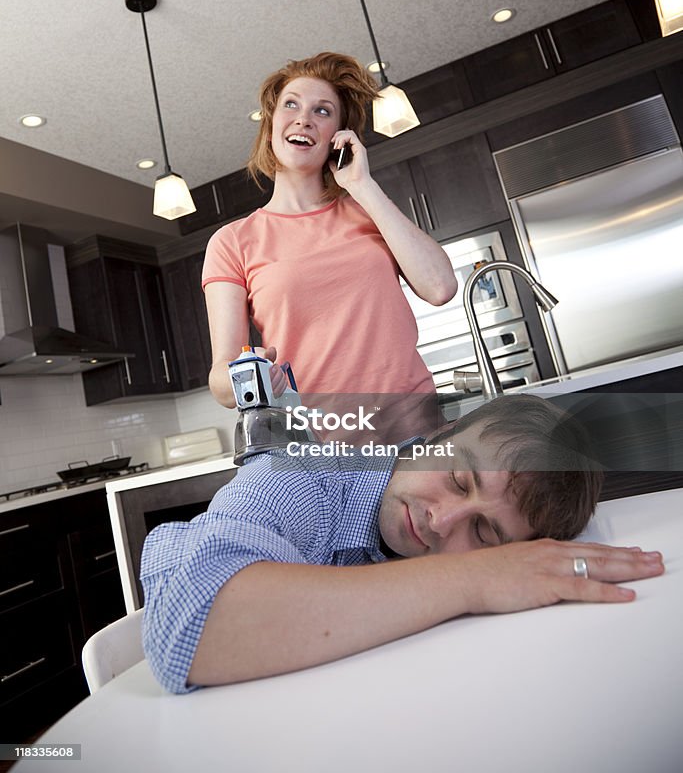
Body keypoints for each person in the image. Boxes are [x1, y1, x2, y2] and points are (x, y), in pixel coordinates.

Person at [140, 394, 665, 694]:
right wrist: (477, 574)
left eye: (484, 535)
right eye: (458, 478)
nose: (442, 521)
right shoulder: (299, 475)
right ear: (439, 435)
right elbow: (191, 625)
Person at [201, 51, 457, 426]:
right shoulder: (232, 242)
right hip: (317, 445)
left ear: (338, 136)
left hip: (413, 430)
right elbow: (221, 382)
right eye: (291, 105)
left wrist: (360, 184)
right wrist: (248, 375)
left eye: (322, 111)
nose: (304, 118)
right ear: (271, 124)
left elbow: (440, 287)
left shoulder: (370, 210)